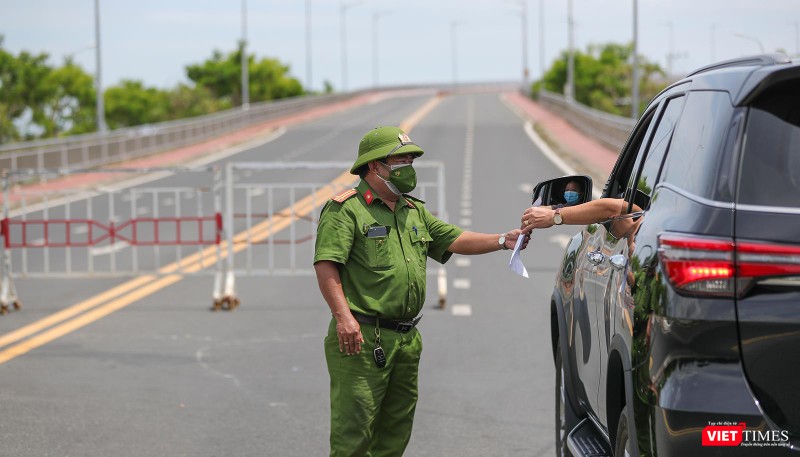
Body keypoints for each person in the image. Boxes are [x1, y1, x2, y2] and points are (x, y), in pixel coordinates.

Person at [314, 126, 528, 457]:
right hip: (363, 337)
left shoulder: (412, 210)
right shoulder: (346, 209)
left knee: (396, 429)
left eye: (410, 161)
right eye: (400, 161)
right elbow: (327, 264)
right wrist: (344, 318)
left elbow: (454, 238)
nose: (408, 168)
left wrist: (503, 240)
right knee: (354, 432)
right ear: (375, 166)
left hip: (405, 338)